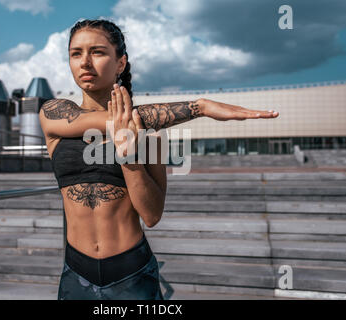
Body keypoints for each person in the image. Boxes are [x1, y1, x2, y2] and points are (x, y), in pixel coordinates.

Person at [39, 19, 279, 300]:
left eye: (98, 52)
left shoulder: (150, 136)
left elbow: (151, 215)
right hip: (76, 272)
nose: (85, 63)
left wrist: (129, 157)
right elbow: (115, 120)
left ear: (120, 63)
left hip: (132, 273)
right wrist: (198, 107)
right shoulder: (54, 113)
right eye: (76, 53)